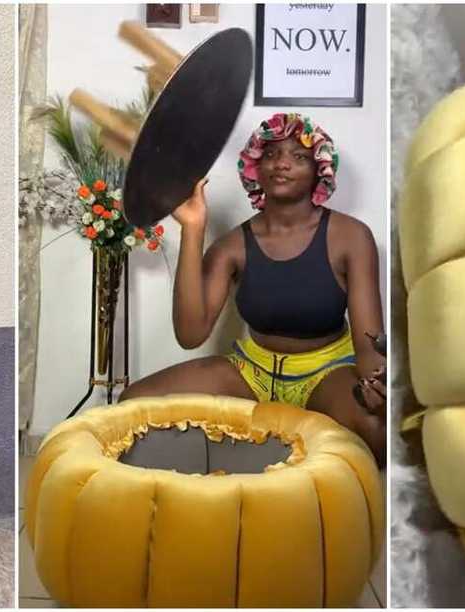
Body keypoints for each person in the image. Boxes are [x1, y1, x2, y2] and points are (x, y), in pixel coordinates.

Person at [119, 113, 387, 466]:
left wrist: (375, 388)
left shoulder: (351, 236)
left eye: (299, 156)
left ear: (320, 170)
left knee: (376, 430)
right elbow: (190, 333)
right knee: (132, 404)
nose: (282, 164)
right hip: (252, 372)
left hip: (328, 372)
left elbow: (369, 343)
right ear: (254, 169)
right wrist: (193, 228)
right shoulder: (232, 247)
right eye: (272, 155)